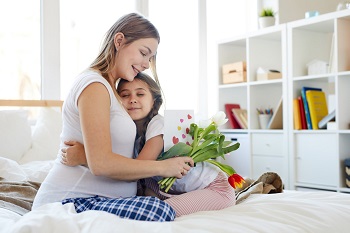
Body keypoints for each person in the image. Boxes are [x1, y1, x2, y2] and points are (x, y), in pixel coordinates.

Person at [32, 13, 193, 222]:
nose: (146, 64)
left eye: (150, 58)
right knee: (158, 211)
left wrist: (86, 157)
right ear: (119, 41)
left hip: (98, 200)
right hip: (71, 201)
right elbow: (102, 164)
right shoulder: (94, 86)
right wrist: (165, 167)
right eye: (144, 53)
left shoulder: (111, 90)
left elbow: (102, 158)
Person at [62, 72, 237, 217]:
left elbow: (136, 169)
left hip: (216, 189)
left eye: (140, 94)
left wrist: (86, 156)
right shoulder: (131, 134)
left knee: (160, 212)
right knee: (144, 202)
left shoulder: (158, 124)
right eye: (124, 95)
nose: (132, 99)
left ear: (154, 101)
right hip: (179, 191)